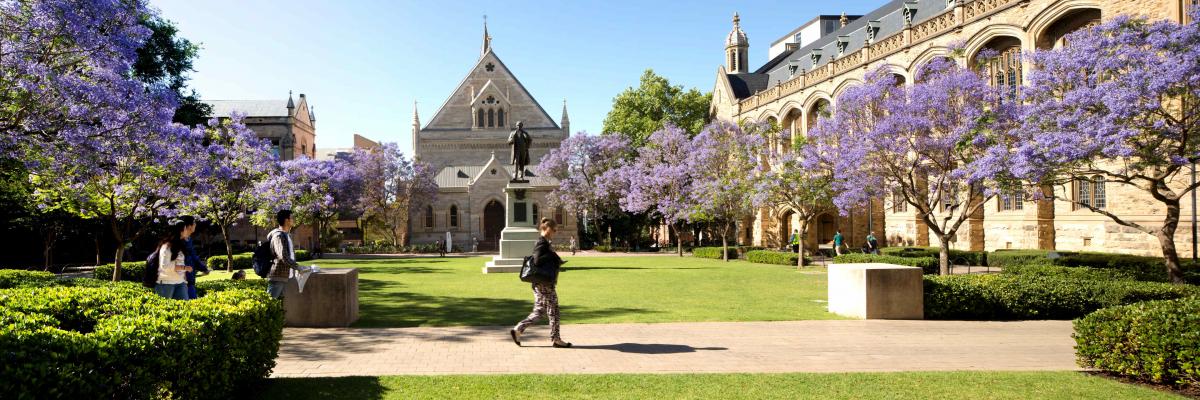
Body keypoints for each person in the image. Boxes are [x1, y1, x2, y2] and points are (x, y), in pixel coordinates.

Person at [511, 218, 571, 348]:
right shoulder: (542, 242)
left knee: (539, 311)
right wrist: (552, 256)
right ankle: (556, 339)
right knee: (554, 310)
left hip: (540, 284)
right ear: (546, 228)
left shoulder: (544, 243)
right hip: (544, 284)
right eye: (553, 230)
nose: (555, 232)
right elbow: (537, 261)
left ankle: (518, 329)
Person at [154, 218, 194, 300]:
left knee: (184, 309)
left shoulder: (181, 245)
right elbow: (165, 267)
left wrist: (184, 276)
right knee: (165, 310)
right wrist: (185, 268)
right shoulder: (166, 247)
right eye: (186, 228)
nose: (188, 230)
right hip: (166, 283)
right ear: (181, 230)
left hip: (180, 282)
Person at [267, 210, 303, 300]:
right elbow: (283, 256)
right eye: (292, 218)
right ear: (287, 220)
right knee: (270, 304)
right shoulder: (278, 236)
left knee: (281, 308)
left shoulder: (287, 235)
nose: (294, 220)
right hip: (278, 276)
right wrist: (298, 267)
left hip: (287, 276)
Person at [179, 216, 209, 300]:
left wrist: (203, 268)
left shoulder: (188, 240)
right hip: (182, 278)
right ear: (189, 226)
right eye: (194, 223)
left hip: (189, 277)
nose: (195, 224)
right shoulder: (179, 242)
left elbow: (193, 256)